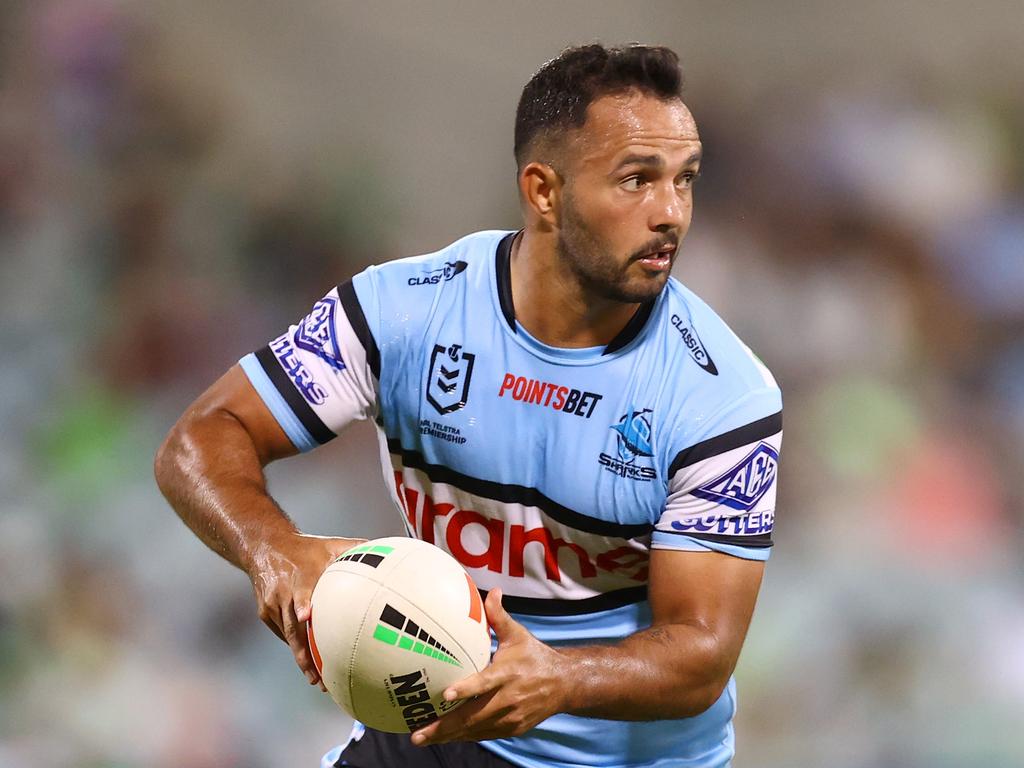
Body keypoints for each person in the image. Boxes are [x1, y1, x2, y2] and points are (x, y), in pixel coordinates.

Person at [155, 43, 782, 768]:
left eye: (686, 180)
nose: (671, 213)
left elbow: (702, 653)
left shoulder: (723, 395)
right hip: (430, 720)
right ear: (543, 191)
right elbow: (201, 437)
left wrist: (563, 678)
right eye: (637, 180)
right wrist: (272, 549)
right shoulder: (402, 314)